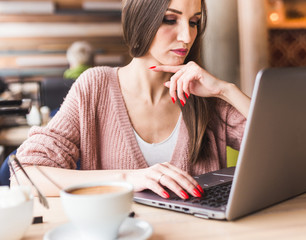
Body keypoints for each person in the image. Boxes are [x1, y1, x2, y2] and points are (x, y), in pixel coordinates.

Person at [14, 0, 251, 200]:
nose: (186, 36)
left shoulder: (205, 96)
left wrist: (225, 90)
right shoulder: (96, 87)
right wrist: (129, 178)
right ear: (141, 19)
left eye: (194, 22)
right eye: (170, 19)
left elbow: (285, 147)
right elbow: (24, 176)